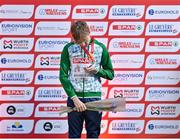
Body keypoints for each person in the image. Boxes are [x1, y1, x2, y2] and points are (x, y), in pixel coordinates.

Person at [60, 20, 114, 138]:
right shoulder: (68, 48)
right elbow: (63, 75)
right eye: (77, 42)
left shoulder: (100, 48)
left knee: (93, 135)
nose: (80, 45)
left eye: (82, 42)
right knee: (74, 136)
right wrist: (74, 98)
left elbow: (110, 74)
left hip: (94, 99)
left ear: (88, 33)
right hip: (75, 99)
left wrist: (98, 71)